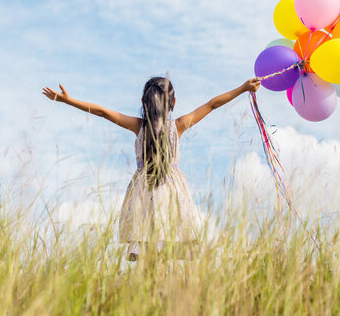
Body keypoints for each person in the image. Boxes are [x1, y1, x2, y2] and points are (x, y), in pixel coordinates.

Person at [42, 76, 261, 260]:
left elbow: (103, 112)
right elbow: (212, 104)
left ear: (143, 101)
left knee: (147, 256)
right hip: (171, 193)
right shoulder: (179, 125)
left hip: (143, 191)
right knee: (168, 252)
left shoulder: (138, 126)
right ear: (173, 101)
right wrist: (243, 88)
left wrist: (68, 101)